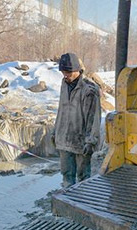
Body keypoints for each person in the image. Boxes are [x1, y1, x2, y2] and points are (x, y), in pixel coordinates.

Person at [53, 52, 101, 188]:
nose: (65, 75)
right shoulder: (64, 84)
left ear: (77, 70)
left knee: (83, 177)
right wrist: (55, 132)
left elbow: (93, 118)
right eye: (63, 72)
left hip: (81, 142)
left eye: (68, 72)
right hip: (64, 139)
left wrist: (91, 142)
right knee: (67, 175)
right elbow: (61, 110)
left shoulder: (89, 89)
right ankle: (68, 201)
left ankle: (82, 202)